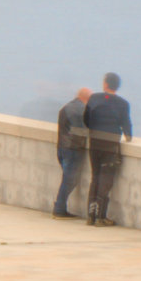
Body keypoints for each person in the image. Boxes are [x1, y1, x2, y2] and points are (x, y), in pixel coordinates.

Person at [83, 72, 133, 226]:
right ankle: (100, 217)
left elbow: (86, 118)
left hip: (95, 143)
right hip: (110, 144)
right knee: (105, 180)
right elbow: (126, 124)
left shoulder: (94, 98)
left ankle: (91, 215)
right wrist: (128, 136)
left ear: (105, 84)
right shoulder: (123, 104)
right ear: (116, 86)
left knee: (95, 177)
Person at [52, 85, 92, 218]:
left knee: (67, 179)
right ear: (87, 98)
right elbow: (81, 130)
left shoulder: (66, 107)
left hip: (62, 147)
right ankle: (59, 208)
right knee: (69, 179)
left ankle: (60, 207)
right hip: (73, 149)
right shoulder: (80, 110)